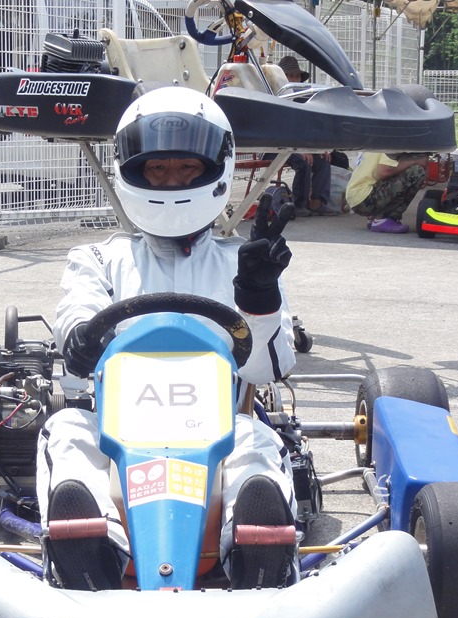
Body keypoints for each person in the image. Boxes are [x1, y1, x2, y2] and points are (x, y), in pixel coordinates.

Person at [36, 87, 300, 592]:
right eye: (157, 169)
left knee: (257, 441)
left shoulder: (245, 262)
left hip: (221, 429)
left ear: (214, 169)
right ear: (132, 170)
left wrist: (260, 298)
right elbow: (76, 322)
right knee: (66, 430)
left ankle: (257, 560)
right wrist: (80, 340)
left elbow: (268, 368)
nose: (172, 181)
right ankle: (90, 557)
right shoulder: (99, 259)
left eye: (187, 168)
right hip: (117, 432)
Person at [276, 55, 339, 217]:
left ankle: (317, 202)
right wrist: (299, 150)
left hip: (296, 146)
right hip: (276, 146)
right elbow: (280, 130)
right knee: (303, 162)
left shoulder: (303, 101)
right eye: (290, 76)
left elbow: (308, 128)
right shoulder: (274, 98)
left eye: (296, 76)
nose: (294, 79)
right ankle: (299, 203)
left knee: (323, 159)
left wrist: (318, 148)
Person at [344, 151, 428, 233]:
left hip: (357, 198)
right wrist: (415, 161)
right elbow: (383, 171)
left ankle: (375, 217)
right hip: (364, 199)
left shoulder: (376, 144)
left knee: (402, 172)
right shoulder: (390, 146)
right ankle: (382, 218)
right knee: (416, 171)